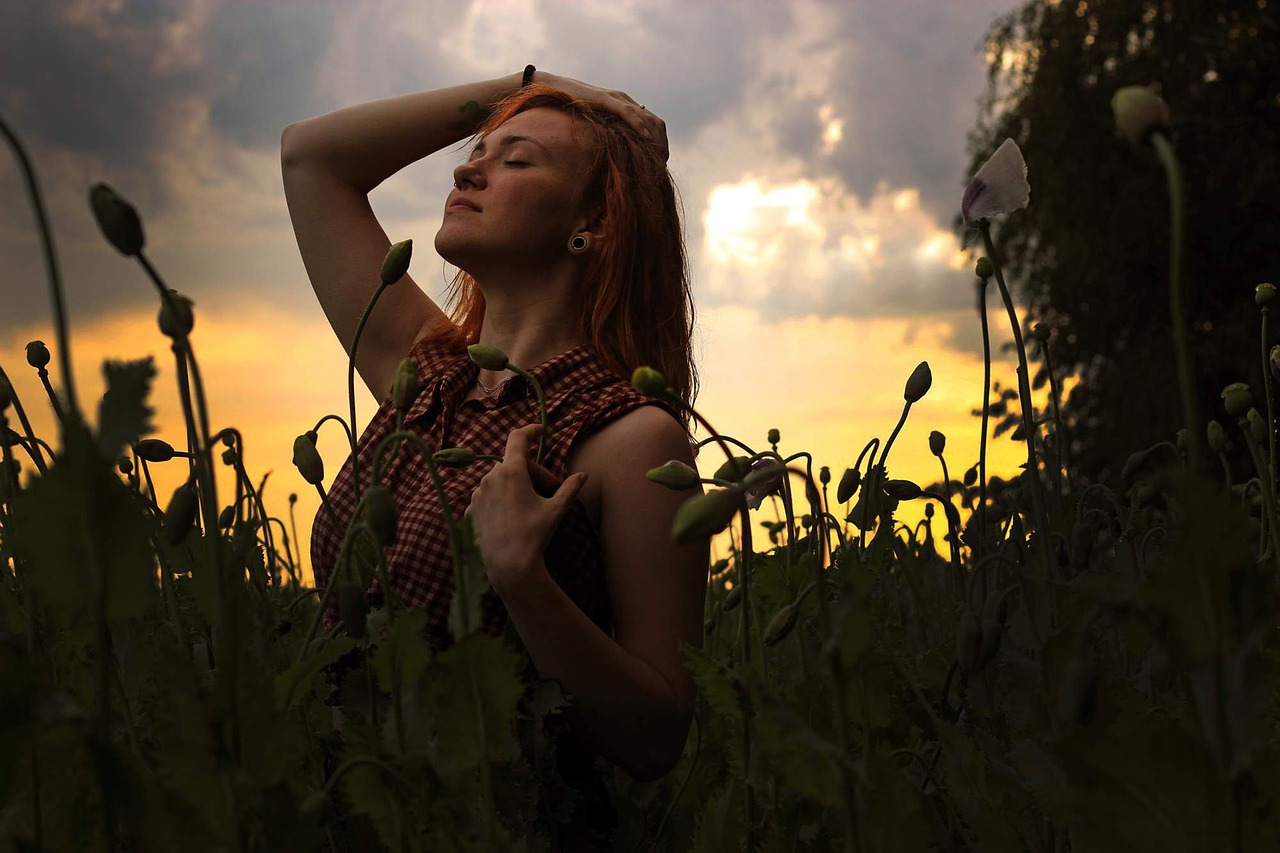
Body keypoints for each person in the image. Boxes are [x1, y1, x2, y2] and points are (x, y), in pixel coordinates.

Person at [280, 68, 707, 841]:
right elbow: (311, 156)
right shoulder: (424, 372)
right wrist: (543, 85)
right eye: (478, 151)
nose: (466, 168)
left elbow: (657, 736)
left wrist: (524, 581)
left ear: (594, 224)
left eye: (516, 160)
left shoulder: (629, 438)